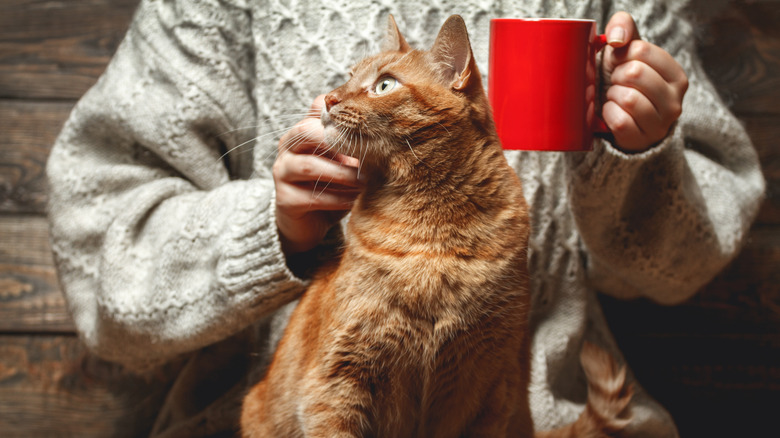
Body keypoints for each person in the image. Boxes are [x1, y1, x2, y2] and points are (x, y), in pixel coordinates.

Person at [45, 0, 765, 437]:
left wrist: (632, 150)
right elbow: (103, 262)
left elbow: (683, 266)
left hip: (527, 414)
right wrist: (277, 229)